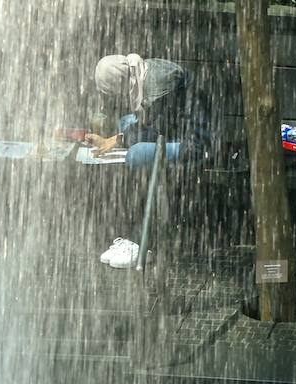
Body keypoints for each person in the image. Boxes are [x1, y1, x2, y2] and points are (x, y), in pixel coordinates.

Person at [87, 54, 213, 269]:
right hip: (175, 129)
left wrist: (119, 140)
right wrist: (117, 139)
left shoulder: (157, 87)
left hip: (194, 146)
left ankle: (140, 242)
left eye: (113, 92)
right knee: (127, 121)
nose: (116, 98)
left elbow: (156, 129)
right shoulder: (141, 71)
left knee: (136, 153)